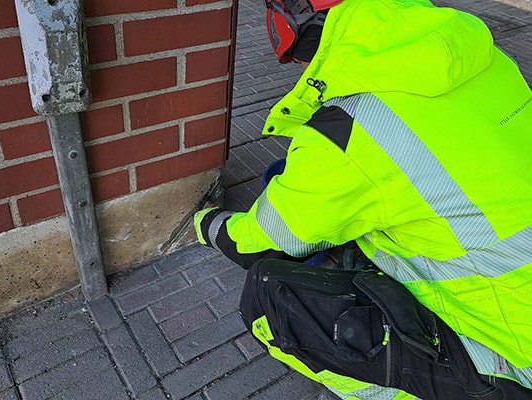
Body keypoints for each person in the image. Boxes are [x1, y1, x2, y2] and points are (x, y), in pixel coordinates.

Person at [194, 0, 532, 398]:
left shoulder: (351, 130)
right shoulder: (485, 59)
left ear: (303, 35)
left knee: (269, 297)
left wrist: (205, 223)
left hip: (512, 355)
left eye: (297, 61)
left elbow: (263, 241)